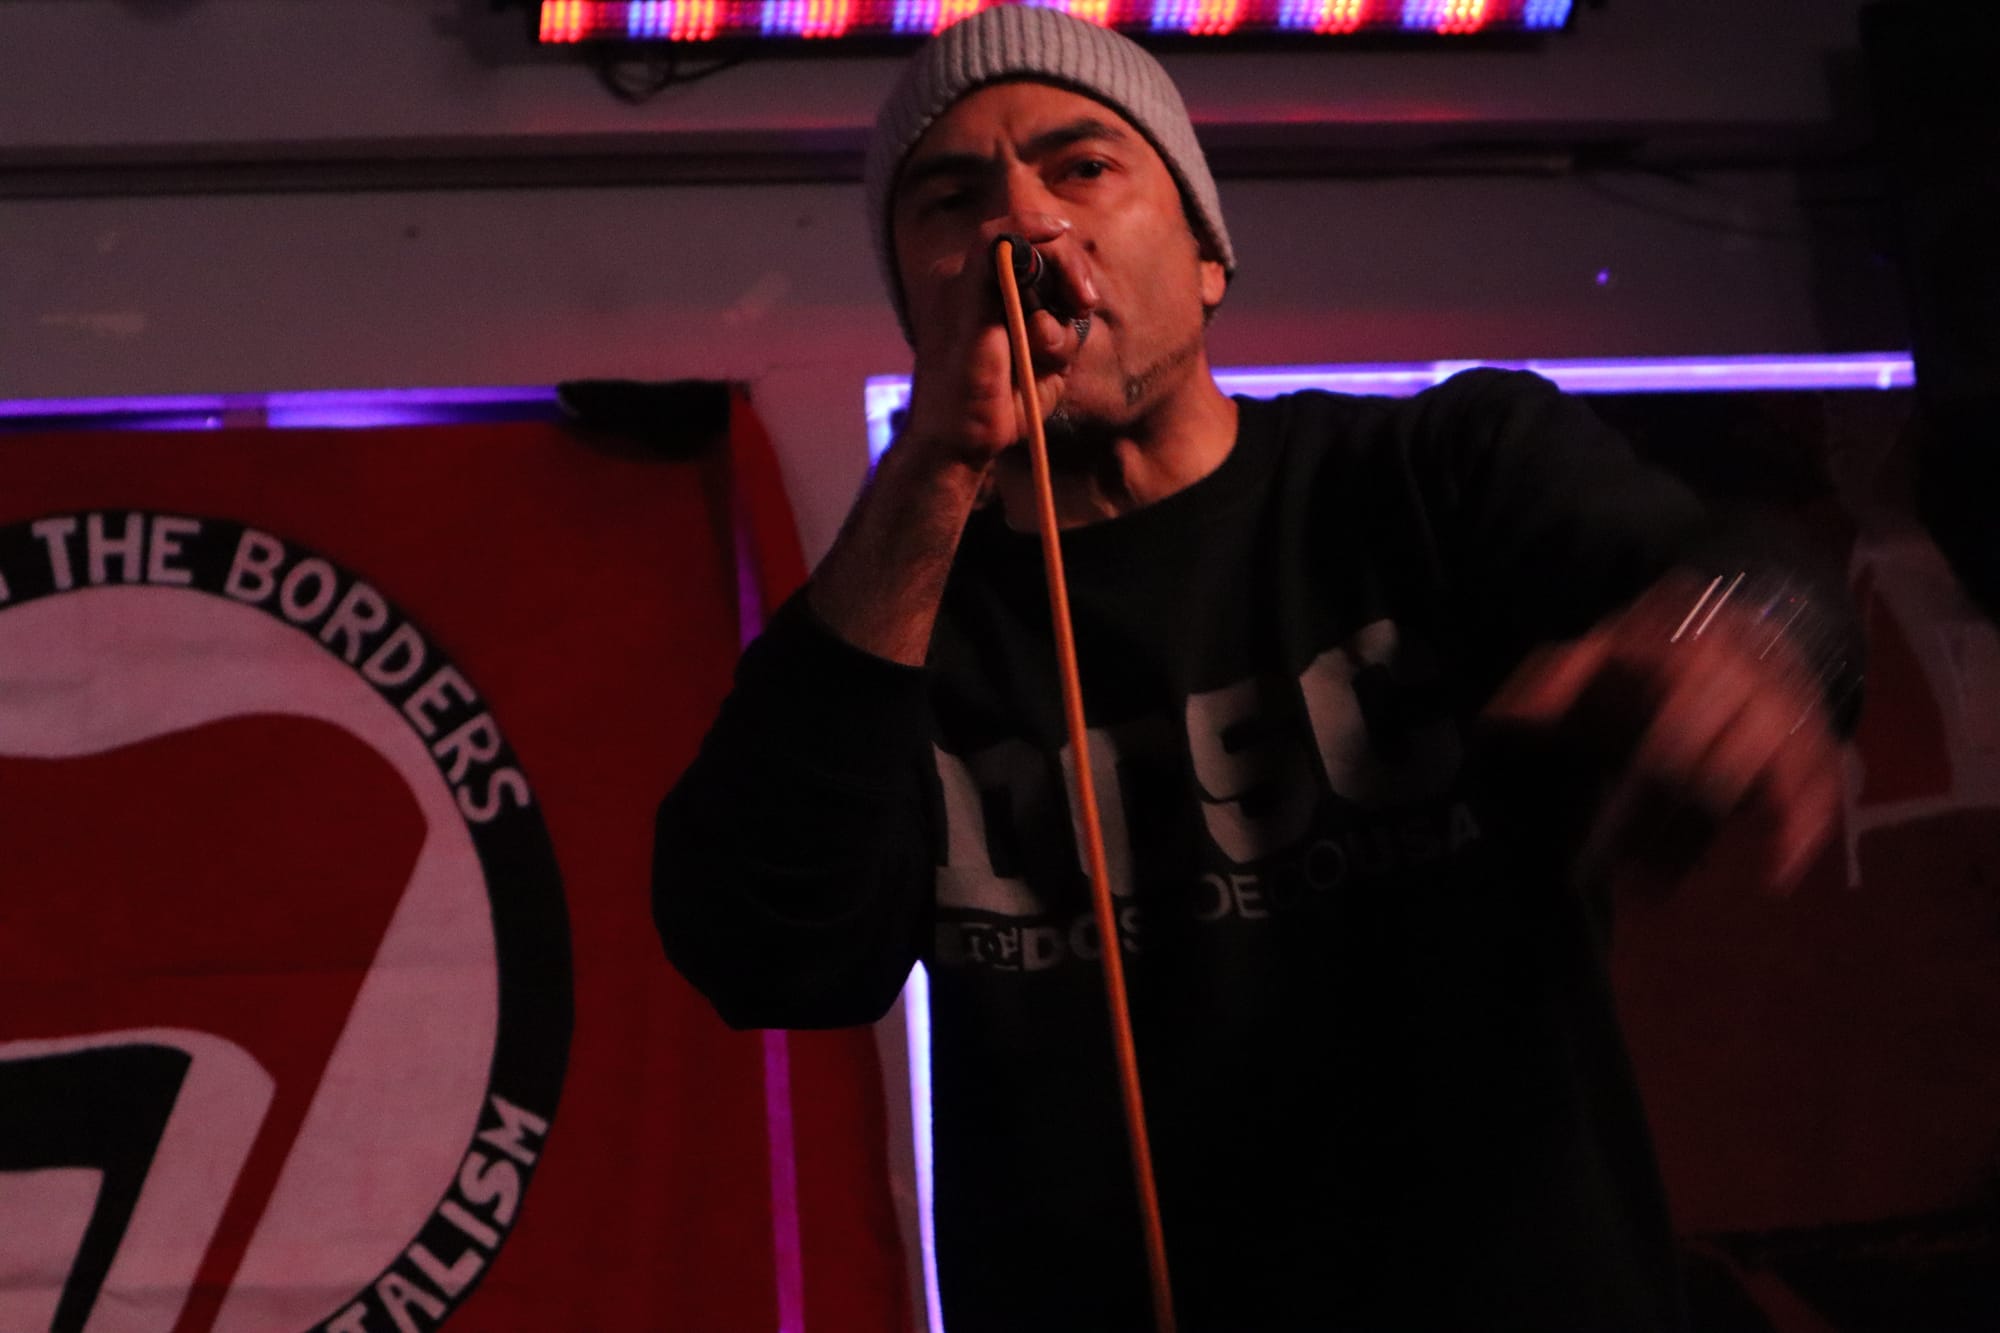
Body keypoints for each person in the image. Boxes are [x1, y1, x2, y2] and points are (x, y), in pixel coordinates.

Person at [653, 7, 1860, 1329]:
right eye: (950, 199)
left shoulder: (1432, 476)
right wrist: (937, 465)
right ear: (913, 307)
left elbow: (1740, 571)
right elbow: (765, 950)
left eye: (1082, 166)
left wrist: (1747, 634)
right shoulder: (899, 621)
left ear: (1208, 256)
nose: (1020, 221)